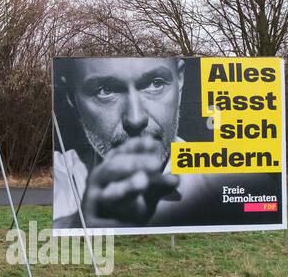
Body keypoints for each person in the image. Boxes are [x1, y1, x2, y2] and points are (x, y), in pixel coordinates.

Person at [53, 56, 222, 228]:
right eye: (105, 90)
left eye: (156, 84)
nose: (135, 119)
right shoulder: (60, 176)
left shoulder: (222, 178)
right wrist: (78, 224)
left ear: (180, 79)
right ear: (71, 98)